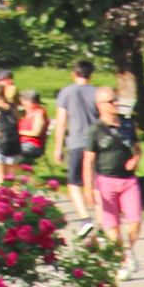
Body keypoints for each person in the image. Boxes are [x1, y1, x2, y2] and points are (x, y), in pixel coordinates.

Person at [85, 86, 144, 279]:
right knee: (112, 226)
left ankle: (128, 250)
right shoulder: (95, 130)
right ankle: (121, 261)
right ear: (100, 105)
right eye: (111, 101)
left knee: (134, 222)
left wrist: (136, 159)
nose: (116, 104)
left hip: (128, 181)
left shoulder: (127, 124)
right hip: (106, 181)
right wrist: (89, 188)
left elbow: (137, 149)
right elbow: (88, 160)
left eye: (116, 99)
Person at [56, 61, 101, 228]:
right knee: (96, 182)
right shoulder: (98, 93)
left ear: (74, 74)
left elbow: (61, 122)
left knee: (73, 183)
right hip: (96, 143)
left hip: (76, 142)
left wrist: (58, 148)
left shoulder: (67, 92)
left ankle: (85, 218)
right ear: (91, 74)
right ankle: (101, 221)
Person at [15, 88, 49, 169]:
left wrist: (18, 132)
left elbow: (36, 132)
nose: (23, 102)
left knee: (9, 149)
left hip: (32, 145)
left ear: (34, 102)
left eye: (26, 100)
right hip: (21, 143)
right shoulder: (25, 113)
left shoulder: (39, 113)